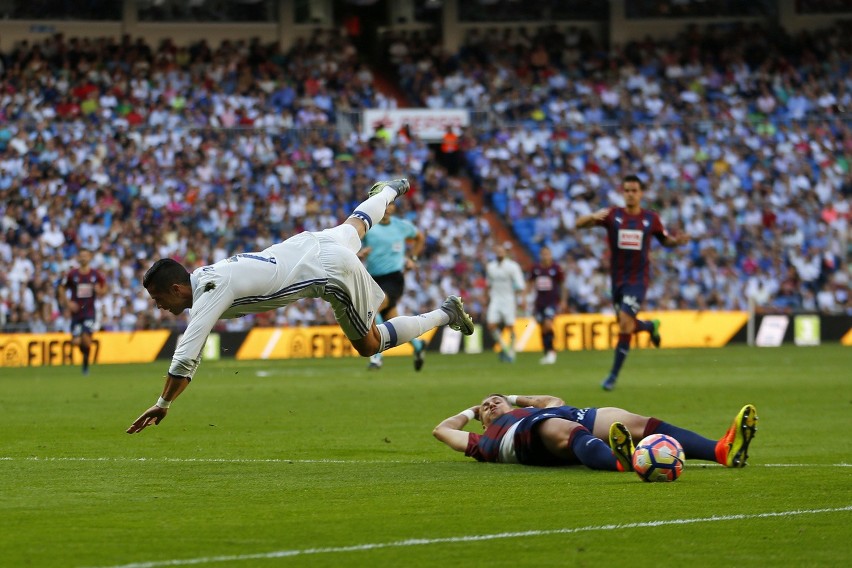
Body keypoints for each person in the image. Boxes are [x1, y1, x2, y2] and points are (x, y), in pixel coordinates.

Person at [127, 179, 475, 434]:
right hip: (309, 243)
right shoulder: (208, 274)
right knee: (357, 223)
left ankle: (446, 313)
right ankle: (387, 191)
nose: (159, 307)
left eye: (159, 300)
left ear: (176, 288)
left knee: (369, 344)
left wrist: (163, 404)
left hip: (328, 272)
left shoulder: (209, 290)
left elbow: (186, 357)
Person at [433, 393, 758, 472]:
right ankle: (624, 462)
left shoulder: (528, 408)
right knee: (559, 427)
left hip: (555, 416)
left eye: (495, 400)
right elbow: (442, 431)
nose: (490, 404)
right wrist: (471, 412)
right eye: (485, 407)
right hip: (528, 437)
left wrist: (514, 398)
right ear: (482, 422)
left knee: (629, 419)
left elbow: (552, 401)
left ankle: (721, 450)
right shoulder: (484, 441)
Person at [575, 175, 690, 390]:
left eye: (634, 190)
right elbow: (578, 224)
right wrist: (592, 216)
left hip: (637, 280)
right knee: (625, 325)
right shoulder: (613, 215)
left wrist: (677, 242)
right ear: (623, 192)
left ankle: (612, 376)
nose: (630, 193)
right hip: (617, 281)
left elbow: (665, 240)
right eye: (626, 190)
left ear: (641, 193)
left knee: (625, 323)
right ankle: (649, 326)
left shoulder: (650, 219)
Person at [358, 199, 427, 371]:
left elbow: (419, 238)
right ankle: (418, 347)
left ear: (394, 208)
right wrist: (360, 253)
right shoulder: (369, 227)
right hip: (374, 279)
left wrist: (413, 259)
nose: (388, 209)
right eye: (385, 205)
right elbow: (354, 247)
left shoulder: (401, 226)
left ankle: (377, 357)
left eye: (391, 205)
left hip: (394, 278)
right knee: (394, 322)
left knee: (373, 310)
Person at [57, 248, 107, 375]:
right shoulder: (72, 274)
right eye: (81, 256)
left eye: (86, 255)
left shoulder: (95, 274)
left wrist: (99, 291)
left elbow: (104, 288)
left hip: (89, 312)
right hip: (76, 313)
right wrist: (67, 303)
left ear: (90, 257)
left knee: (85, 338)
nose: (83, 258)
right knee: (76, 342)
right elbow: (61, 288)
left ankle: (85, 365)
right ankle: (85, 357)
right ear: (79, 258)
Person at [485, 242, 526, 362]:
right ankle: (504, 348)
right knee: (491, 325)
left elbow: (520, 286)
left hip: (508, 299)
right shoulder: (491, 267)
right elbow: (489, 285)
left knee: (510, 326)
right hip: (495, 299)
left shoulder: (513, 267)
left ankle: (512, 351)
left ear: (506, 253)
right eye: (498, 252)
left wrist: (521, 300)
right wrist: (486, 298)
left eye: (502, 251)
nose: (499, 253)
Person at [525, 245, 565, 364]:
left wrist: (563, 300)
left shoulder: (556, 268)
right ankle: (547, 352)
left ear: (551, 255)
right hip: (539, 303)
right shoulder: (536, 268)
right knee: (542, 328)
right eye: (543, 254)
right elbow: (529, 283)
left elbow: (562, 285)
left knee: (548, 324)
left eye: (547, 253)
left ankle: (552, 352)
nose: (545, 256)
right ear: (540, 255)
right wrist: (524, 298)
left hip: (552, 302)